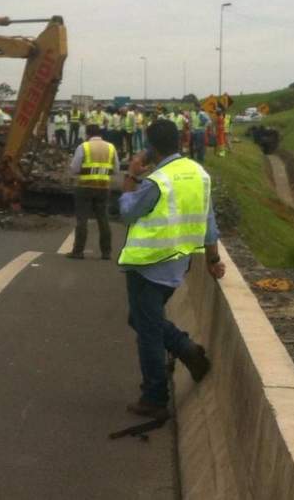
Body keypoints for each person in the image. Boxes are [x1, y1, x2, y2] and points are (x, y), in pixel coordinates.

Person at [118, 118, 225, 420]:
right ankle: (186, 349)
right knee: (141, 319)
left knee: (148, 332)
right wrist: (213, 261)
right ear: (179, 141)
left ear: (150, 147)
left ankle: (154, 397)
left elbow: (126, 213)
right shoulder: (198, 174)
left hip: (147, 266)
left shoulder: (157, 181)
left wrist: (130, 175)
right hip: (177, 266)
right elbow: (209, 221)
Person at [67, 123, 120, 260]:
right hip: (103, 187)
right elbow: (116, 170)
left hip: (85, 187)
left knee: (82, 220)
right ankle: (106, 252)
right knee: (103, 219)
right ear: (100, 133)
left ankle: (78, 251)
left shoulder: (83, 147)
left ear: (87, 134)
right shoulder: (110, 147)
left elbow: (74, 168)